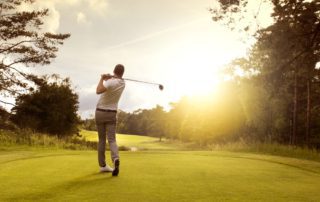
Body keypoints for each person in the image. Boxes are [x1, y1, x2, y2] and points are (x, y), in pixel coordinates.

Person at [95, 64, 125, 176]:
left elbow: (98, 90)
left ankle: (103, 166)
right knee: (112, 140)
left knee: (102, 140)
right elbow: (115, 80)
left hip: (100, 112)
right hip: (112, 114)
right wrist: (110, 77)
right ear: (122, 73)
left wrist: (102, 78)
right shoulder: (122, 83)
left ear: (114, 70)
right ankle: (115, 159)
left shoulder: (110, 82)